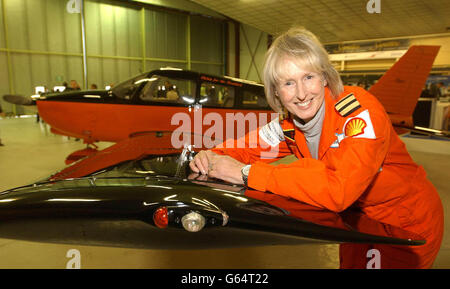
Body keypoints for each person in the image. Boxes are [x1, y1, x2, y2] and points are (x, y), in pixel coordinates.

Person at [189, 27, 444, 269]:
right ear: (276, 93)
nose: (301, 94)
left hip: (403, 223)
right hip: (357, 222)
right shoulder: (289, 125)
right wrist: (212, 155)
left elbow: (339, 188)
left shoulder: (359, 113)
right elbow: (246, 147)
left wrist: (247, 173)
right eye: (288, 83)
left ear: (324, 76)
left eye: (308, 77)